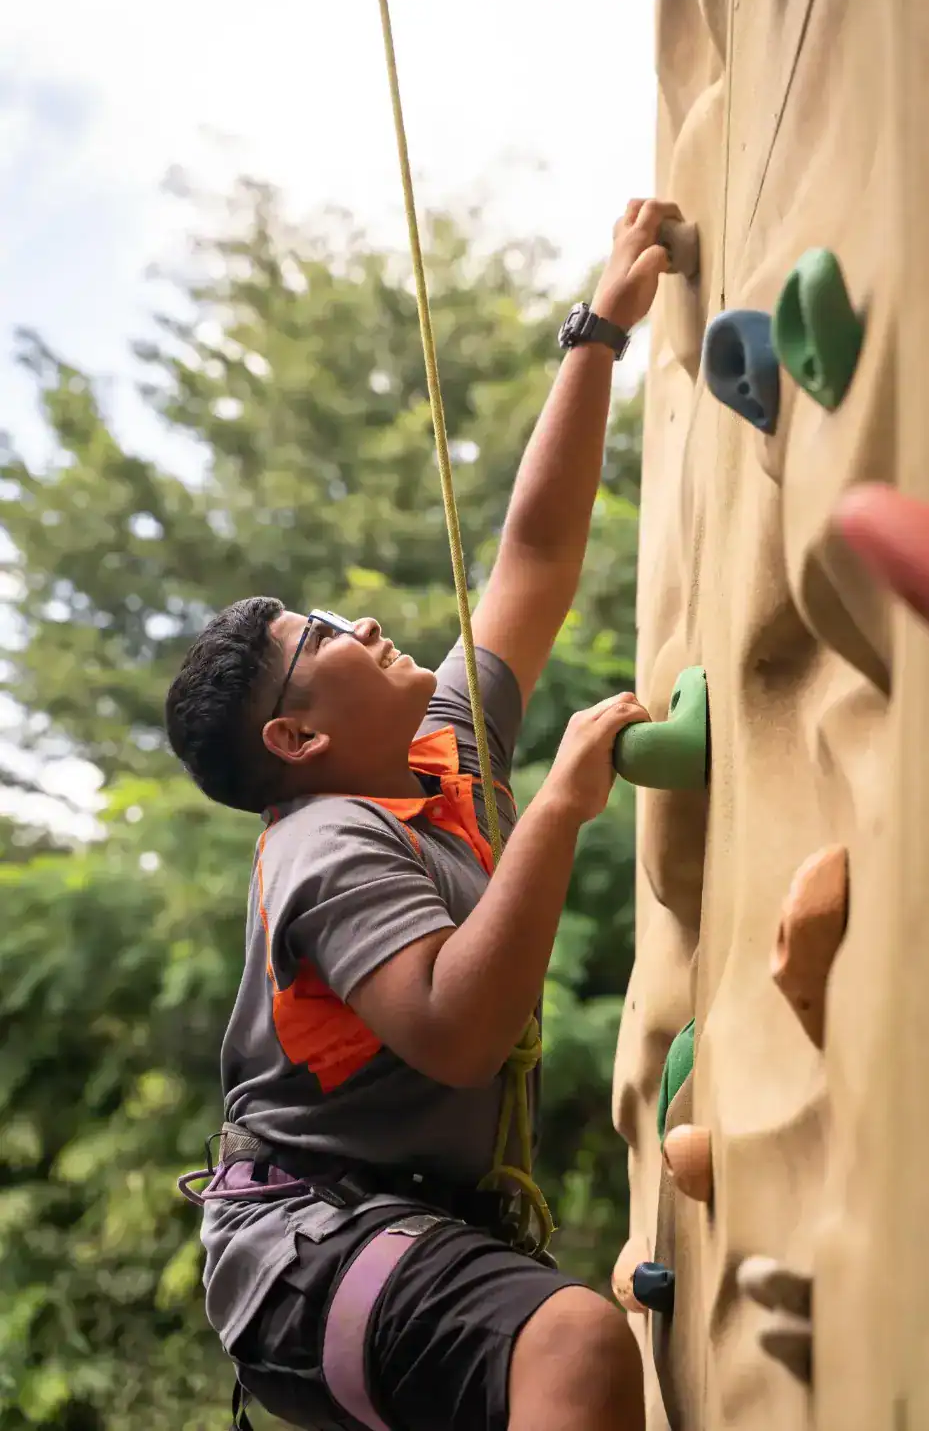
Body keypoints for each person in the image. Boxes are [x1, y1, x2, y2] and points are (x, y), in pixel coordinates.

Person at [165, 197, 676, 1431]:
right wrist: (557, 808)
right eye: (324, 637)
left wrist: (596, 334)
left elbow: (532, 562)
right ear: (297, 740)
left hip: (393, 1224)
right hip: (301, 1248)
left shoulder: (442, 753)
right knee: (572, 1342)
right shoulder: (321, 843)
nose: (365, 623)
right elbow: (456, 1032)